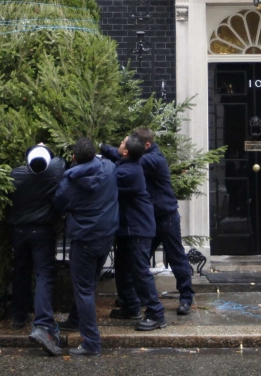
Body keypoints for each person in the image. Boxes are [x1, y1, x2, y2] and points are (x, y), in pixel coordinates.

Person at [53, 137, 119, 357]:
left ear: (74, 158)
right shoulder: (109, 168)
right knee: (89, 285)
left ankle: (91, 341)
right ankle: (75, 319)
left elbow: (59, 204)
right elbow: (112, 158)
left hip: (84, 239)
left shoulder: (69, 182)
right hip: (106, 235)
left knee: (83, 289)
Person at [101, 135, 167, 331]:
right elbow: (114, 153)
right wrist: (100, 146)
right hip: (129, 228)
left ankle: (156, 314)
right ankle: (131, 306)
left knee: (139, 272)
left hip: (137, 228)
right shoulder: (128, 161)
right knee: (122, 268)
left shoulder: (127, 172)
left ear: (127, 151)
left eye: (122, 143)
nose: (119, 144)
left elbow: (104, 180)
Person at [9, 143, 65, 356]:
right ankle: (42, 323)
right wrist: (46, 148)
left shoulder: (16, 175)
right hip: (42, 231)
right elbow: (59, 161)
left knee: (21, 271)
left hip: (20, 231)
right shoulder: (54, 173)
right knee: (44, 275)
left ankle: (19, 314)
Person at [133, 126, 194, 316]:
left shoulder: (152, 159)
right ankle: (137, 296)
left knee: (176, 257)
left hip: (166, 217)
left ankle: (186, 297)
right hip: (153, 217)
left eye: (135, 143)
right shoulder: (150, 156)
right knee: (140, 258)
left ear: (147, 144)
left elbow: (132, 161)